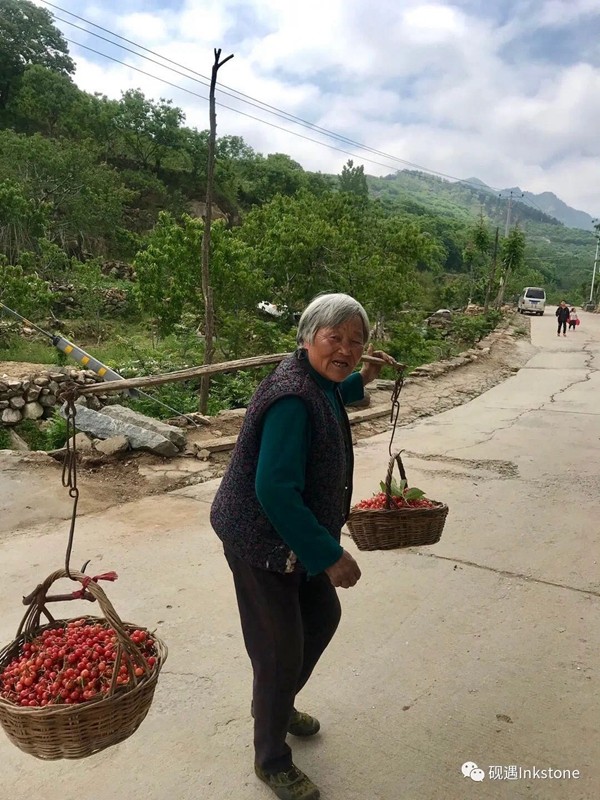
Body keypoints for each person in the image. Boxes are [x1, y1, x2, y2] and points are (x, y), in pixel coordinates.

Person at [210, 293, 395, 800]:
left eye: (356, 342)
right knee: (278, 650)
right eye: (335, 339)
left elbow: (331, 388)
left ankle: (278, 700)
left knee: (321, 617)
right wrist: (329, 555)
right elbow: (274, 490)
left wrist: (362, 380)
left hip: (292, 539)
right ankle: (271, 757)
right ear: (308, 338)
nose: (347, 350)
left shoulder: (318, 379)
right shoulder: (292, 397)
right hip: (260, 541)